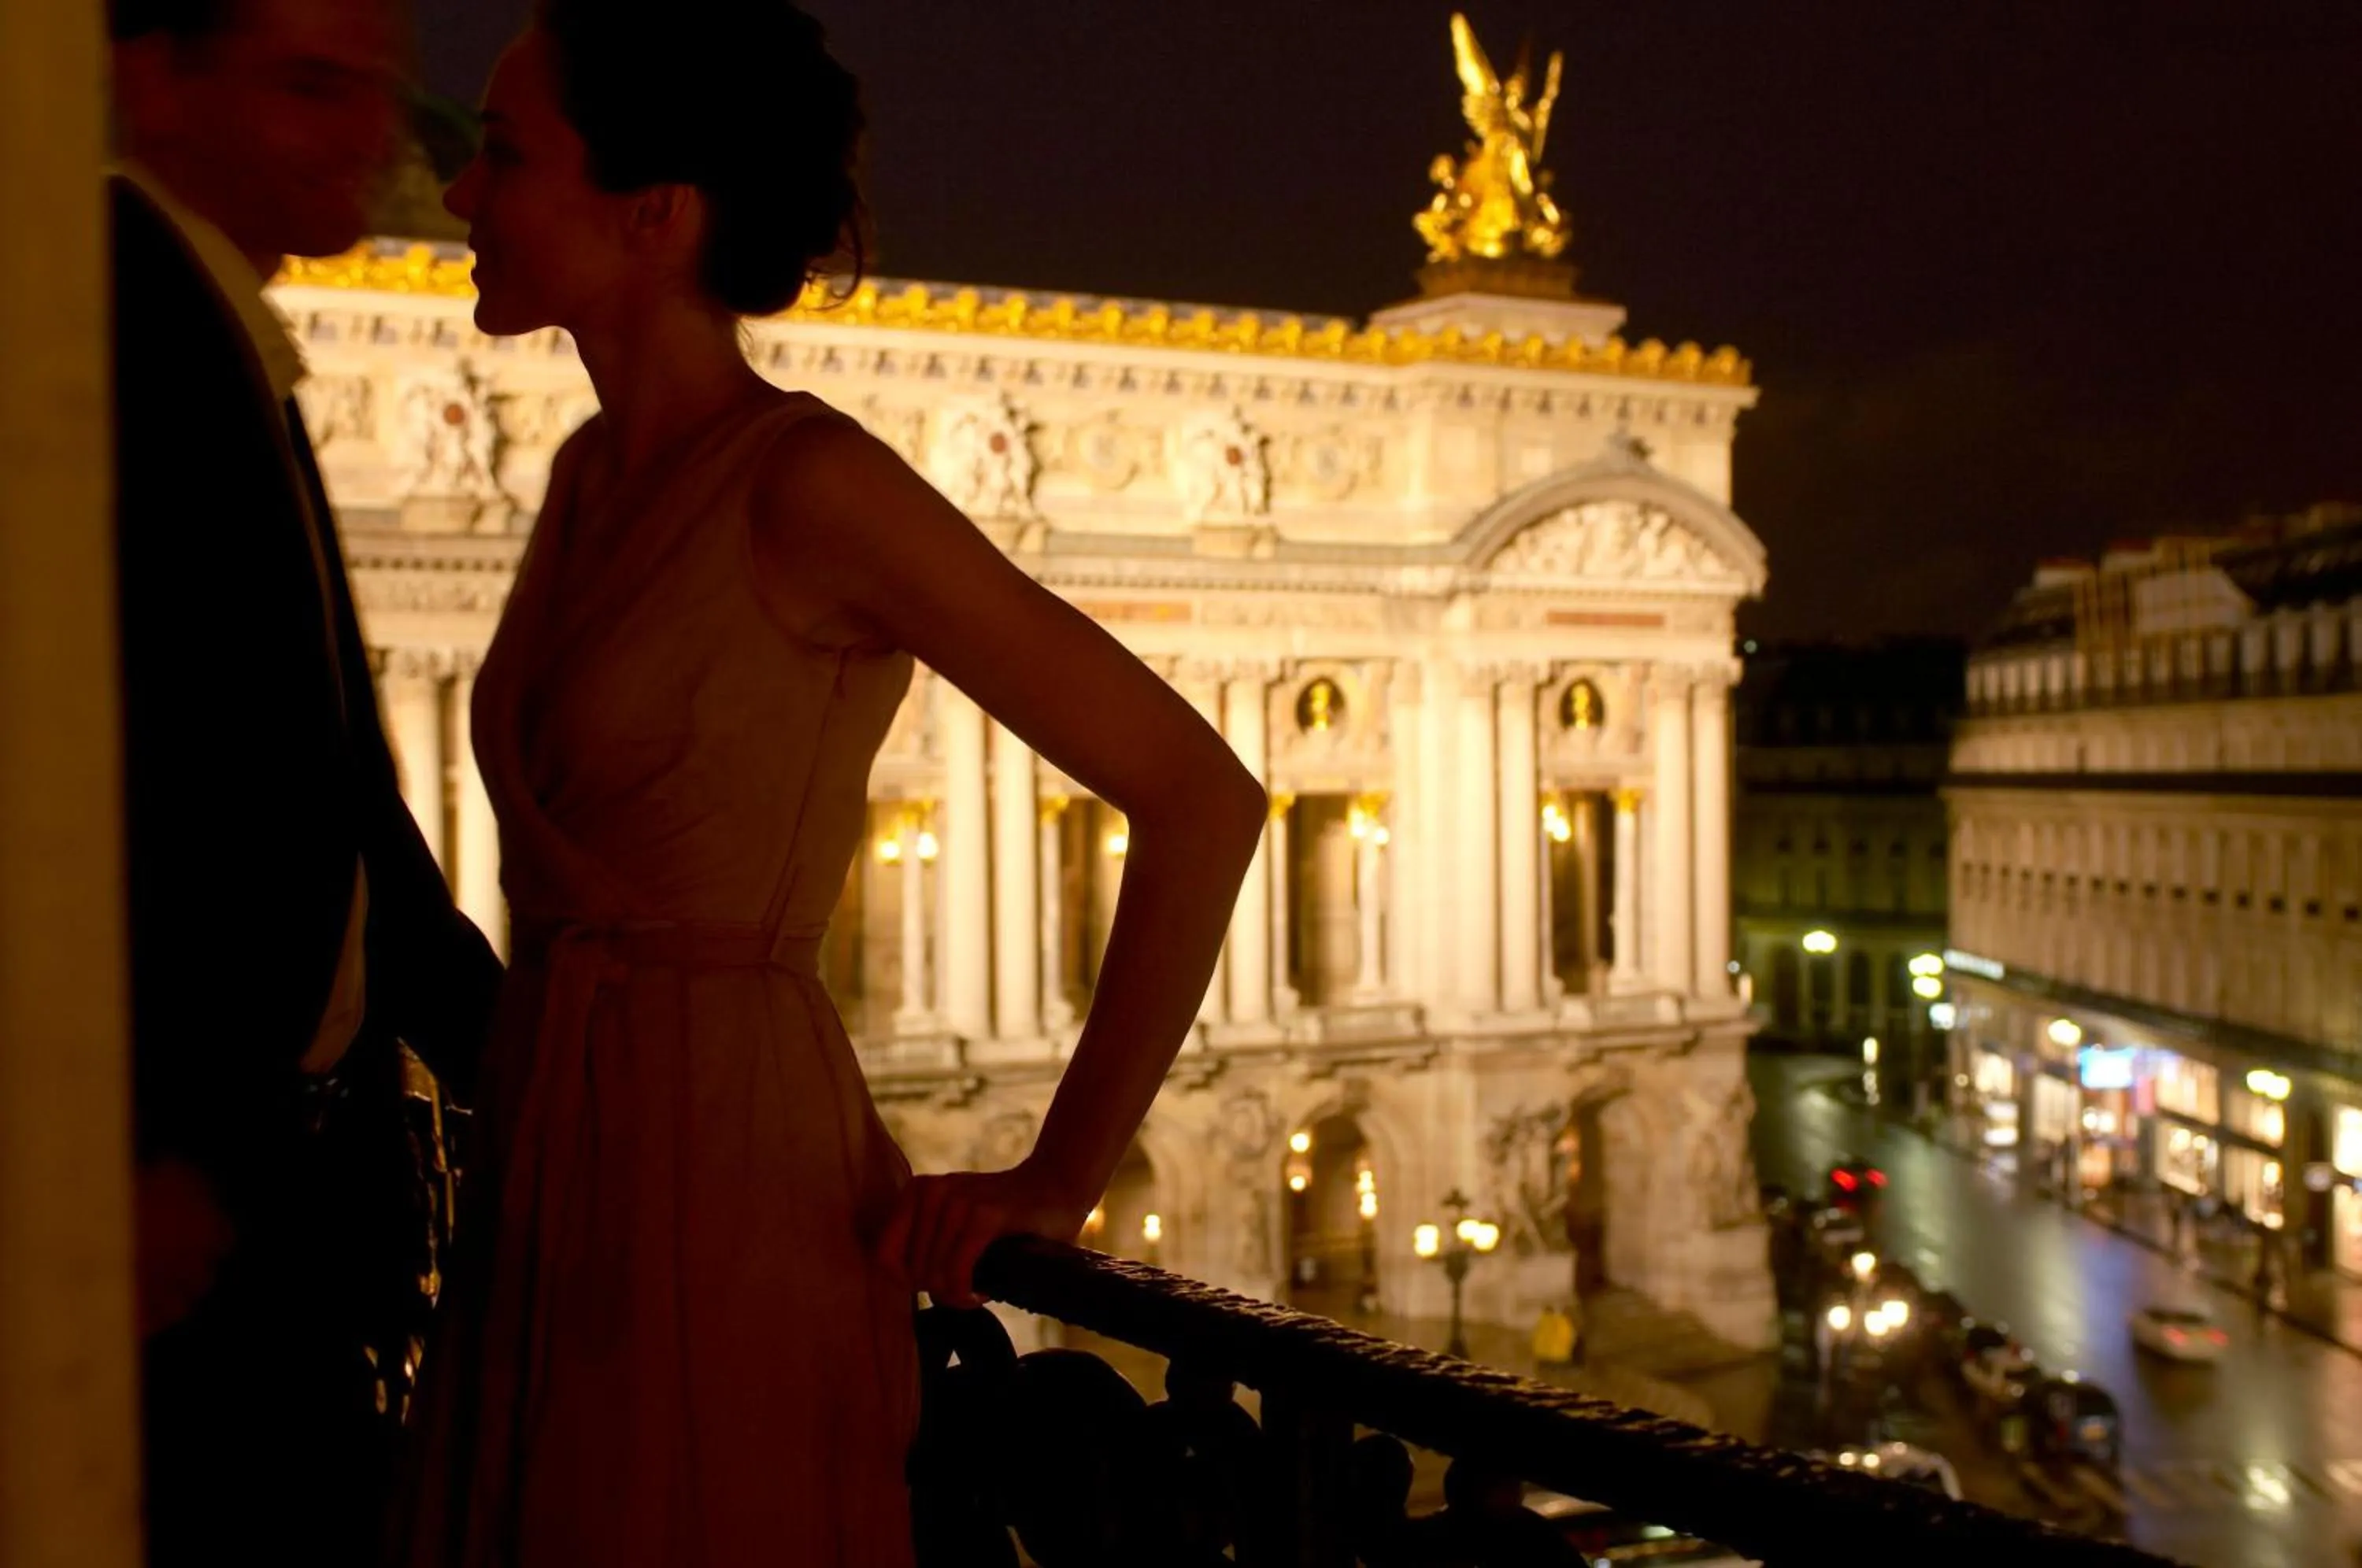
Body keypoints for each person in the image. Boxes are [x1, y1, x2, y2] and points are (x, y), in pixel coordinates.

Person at [394, 4, 1267, 1564]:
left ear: (654, 214)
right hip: (546, 1158)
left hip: (725, 1182)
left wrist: (1065, 1171)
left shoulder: (811, 484)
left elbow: (1201, 795)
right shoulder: (590, 479)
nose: (458, 195)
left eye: (505, 157)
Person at [106, 1, 506, 1563]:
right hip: (187, 1222)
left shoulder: (217, 329)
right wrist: (152, 1144)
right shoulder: (124, 325)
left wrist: (515, 1053)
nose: (375, 136)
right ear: (157, 82)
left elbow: (336, 807)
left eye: (380, 91)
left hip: (267, 1201)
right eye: (309, 86)